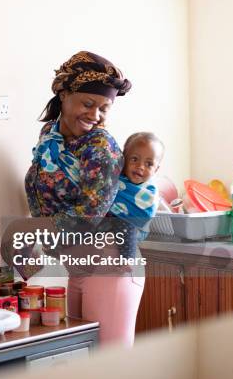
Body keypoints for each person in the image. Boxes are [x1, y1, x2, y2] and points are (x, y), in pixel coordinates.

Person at [24, 51, 144, 347]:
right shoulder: (49, 138)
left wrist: (30, 230)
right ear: (64, 94)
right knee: (80, 362)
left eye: (104, 108)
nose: (95, 116)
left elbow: (89, 215)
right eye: (88, 104)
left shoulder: (100, 147)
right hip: (72, 265)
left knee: (110, 367)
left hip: (109, 265)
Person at [106, 132, 164, 258]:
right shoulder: (116, 176)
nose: (140, 167)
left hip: (135, 227)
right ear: (124, 158)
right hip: (109, 220)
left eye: (149, 164)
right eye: (134, 159)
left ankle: (127, 258)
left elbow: (147, 211)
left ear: (156, 169)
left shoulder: (149, 191)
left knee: (125, 225)